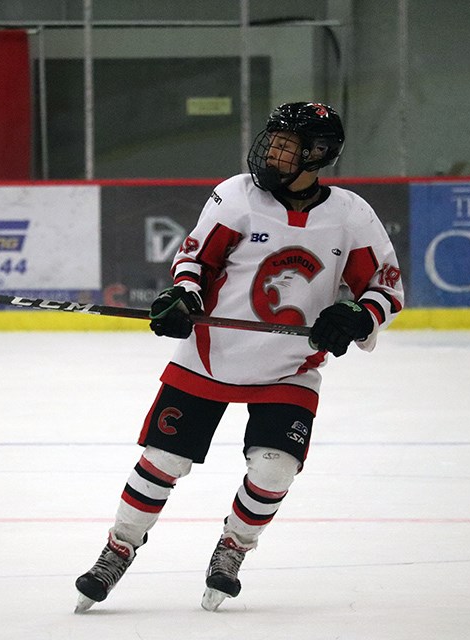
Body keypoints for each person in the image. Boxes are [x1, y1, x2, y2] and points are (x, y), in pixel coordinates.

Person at [74, 102, 405, 613]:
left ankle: (233, 548)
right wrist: (183, 298)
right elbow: (194, 262)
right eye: (271, 140)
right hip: (209, 358)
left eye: (286, 146)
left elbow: (385, 287)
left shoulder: (350, 215)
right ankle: (119, 547)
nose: (271, 152)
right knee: (163, 460)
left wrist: (359, 317)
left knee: (275, 469)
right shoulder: (236, 197)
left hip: (289, 367)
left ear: (319, 154)